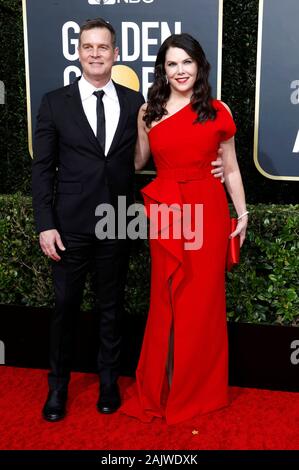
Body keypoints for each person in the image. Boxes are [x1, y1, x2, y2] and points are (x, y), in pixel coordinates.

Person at [32, 18, 225, 422]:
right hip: (69, 226)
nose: (96, 54)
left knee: (111, 307)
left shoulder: (136, 101)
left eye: (104, 47)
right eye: (89, 47)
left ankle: (107, 386)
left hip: (117, 221)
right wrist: (45, 224)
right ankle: (57, 390)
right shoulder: (54, 102)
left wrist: (215, 167)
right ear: (79, 52)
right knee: (65, 306)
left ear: (116, 54)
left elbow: (146, 157)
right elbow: (42, 169)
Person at [121, 33, 248, 424]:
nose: (180, 71)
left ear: (199, 66)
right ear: (163, 68)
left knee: (202, 300)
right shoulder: (149, 111)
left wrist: (241, 215)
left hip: (208, 209)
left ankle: (198, 390)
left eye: (187, 62)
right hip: (167, 211)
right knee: (167, 297)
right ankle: (165, 385)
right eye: (172, 63)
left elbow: (229, 168)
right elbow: (138, 161)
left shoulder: (216, 109)